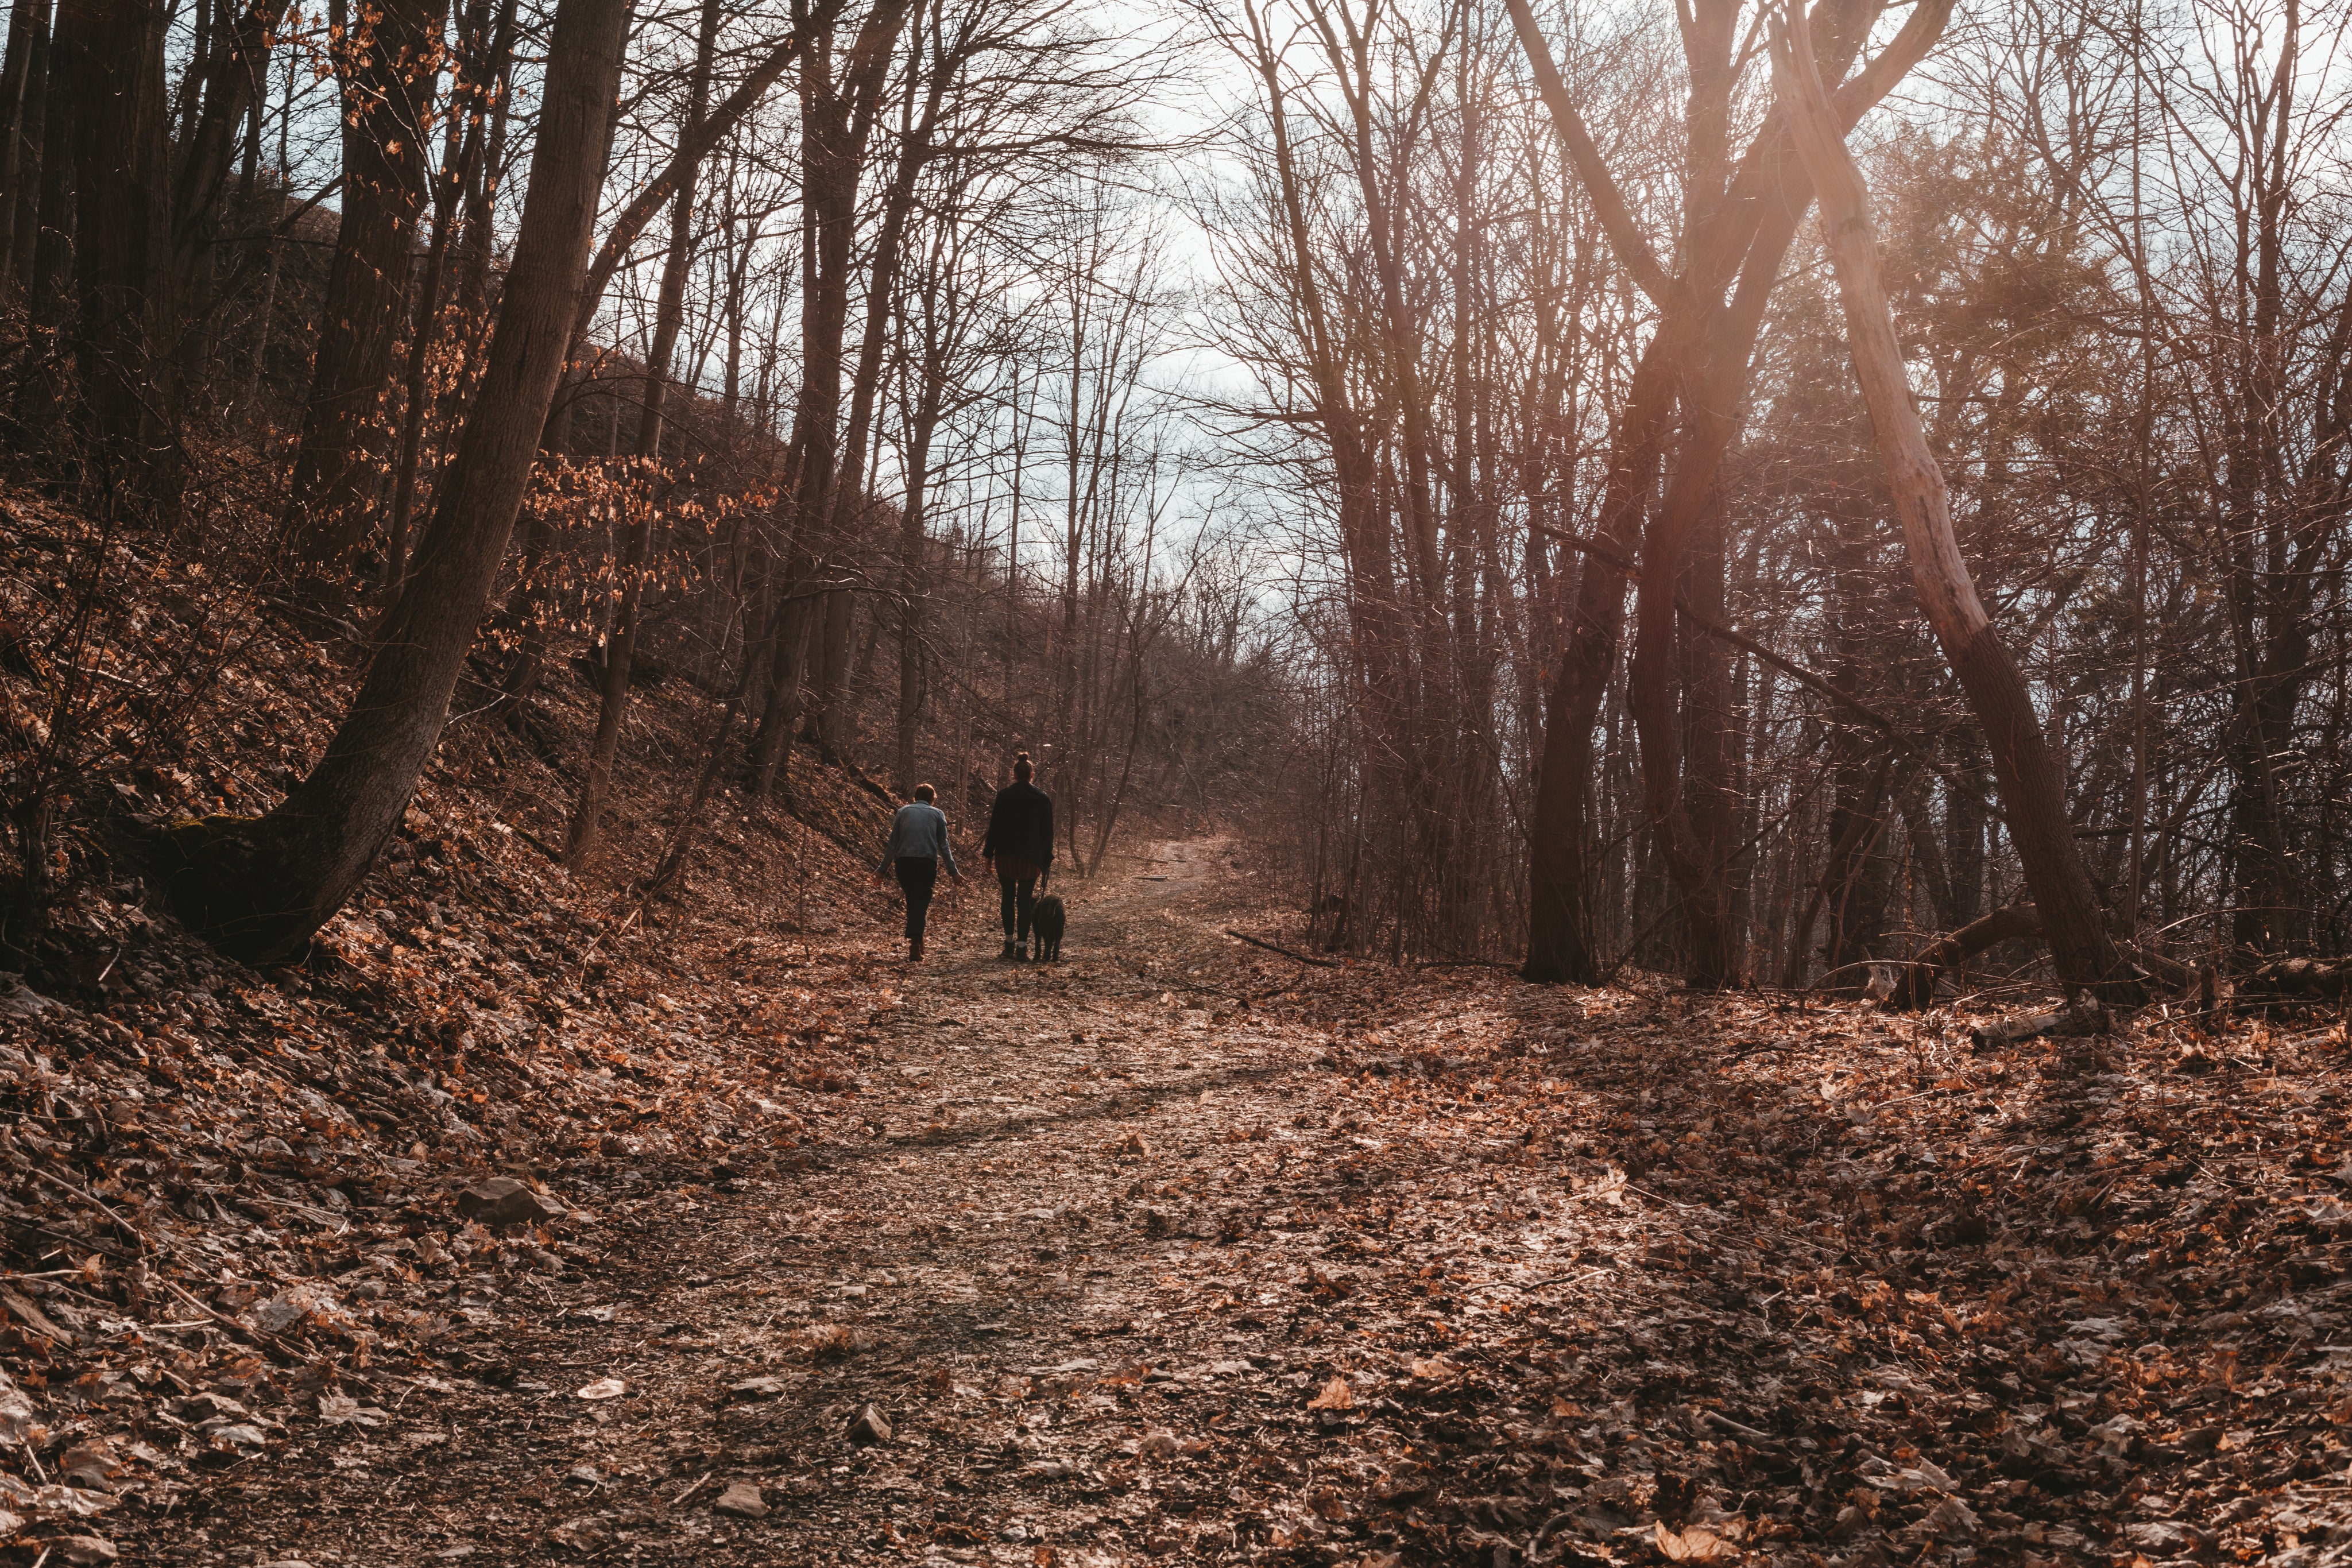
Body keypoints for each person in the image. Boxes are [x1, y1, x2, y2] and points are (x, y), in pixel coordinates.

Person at [874, 784, 961, 962]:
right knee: (920, 902)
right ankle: (915, 944)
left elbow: (893, 843)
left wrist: (882, 870)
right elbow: (944, 846)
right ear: (932, 799)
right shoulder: (937, 814)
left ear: (915, 797)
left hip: (903, 863)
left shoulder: (902, 812)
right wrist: (953, 872)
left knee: (913, 900)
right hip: (926, 863)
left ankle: (917, 939)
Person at [981, 751, 1054, 961]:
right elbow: (1047, 833)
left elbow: (995, 827)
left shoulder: (1005, 796)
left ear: (1014, 774)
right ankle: (1022, 948)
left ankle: (1008, 945)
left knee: (1007, 898)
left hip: (1006, 855)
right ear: (1032, 774)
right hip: (1031, 857)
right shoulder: (1042, 799)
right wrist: (1047, 859)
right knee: (1024, 900)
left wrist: (989, 854)